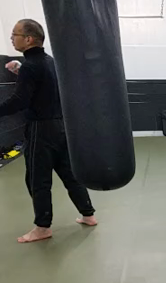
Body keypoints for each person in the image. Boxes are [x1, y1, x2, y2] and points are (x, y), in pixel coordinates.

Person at [0, 19, 97, 243]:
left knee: (38, 180)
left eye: (14, 35)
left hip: (40, 130)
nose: (12, 39)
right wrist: (20, 71)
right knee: (69, 173)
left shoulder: (30, 66)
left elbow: (20, 101)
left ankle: (43, 228)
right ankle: (88, 214)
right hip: (61, 127)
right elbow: (43, 87)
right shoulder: (50, 62)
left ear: (28, 39)